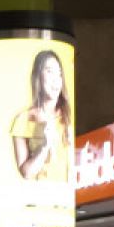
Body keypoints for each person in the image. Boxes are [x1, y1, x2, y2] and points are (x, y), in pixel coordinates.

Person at [12, 50, 73, 182]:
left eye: (59, 74)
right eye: (50, 71)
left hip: (68, 196)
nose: (56, 79)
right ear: (38, 76)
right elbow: (26, 173)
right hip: (41, 197)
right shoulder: (22, 119)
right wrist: (45, 147)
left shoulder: (68, 116)